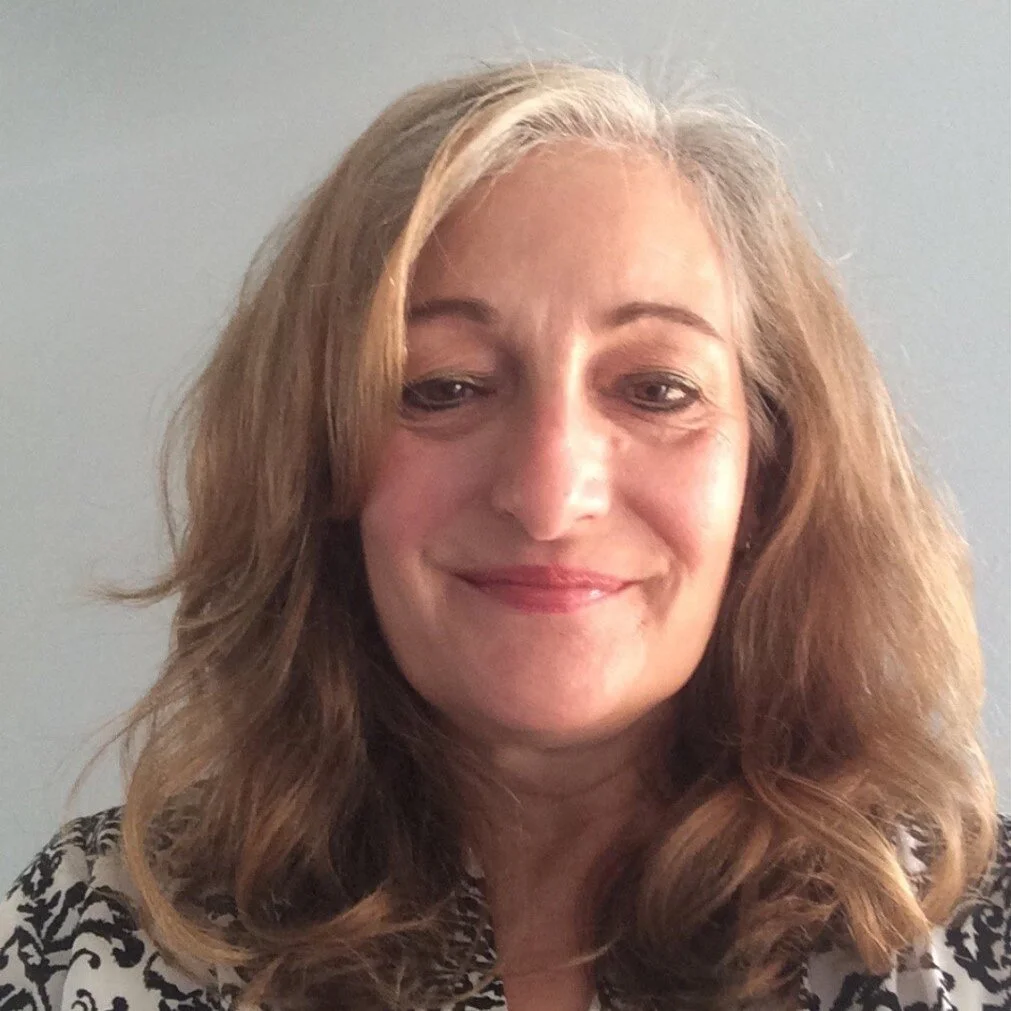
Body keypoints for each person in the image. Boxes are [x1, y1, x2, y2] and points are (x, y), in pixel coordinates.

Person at [1, 61, 1007, 1011]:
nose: (549, 496)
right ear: (317, 460)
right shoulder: (96, 927)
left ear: (769, 470)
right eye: (443, 387)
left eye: (657, 390)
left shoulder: (968, 932)